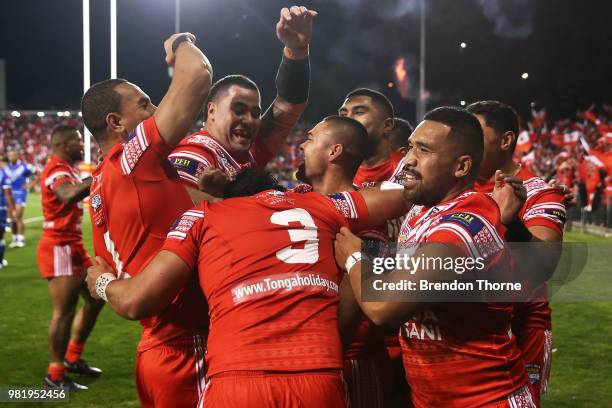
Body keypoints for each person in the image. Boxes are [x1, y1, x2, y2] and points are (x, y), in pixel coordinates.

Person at [86, 165, 407, 408]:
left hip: (237, 379)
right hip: (318, 377)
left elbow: (135, 302)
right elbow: (400, 196)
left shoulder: (204, 215)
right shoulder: (319, 206)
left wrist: (100, 281)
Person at [335, 107, 536, 407]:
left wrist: (354, 258)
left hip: (489, 399)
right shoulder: (421, 211)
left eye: (424, 150)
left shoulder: (465, 225)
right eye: (412, 147)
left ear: (461, 166)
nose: (409, 159)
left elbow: (385, 309)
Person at [81, 32, 213, 407]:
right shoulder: (133, 158)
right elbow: (198, 74)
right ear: (116, 123)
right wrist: (180, 45)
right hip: (189, 346)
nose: (155, 110)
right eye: (145, 104)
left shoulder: (102, 184)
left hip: (158, 349)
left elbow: (102, 270)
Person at [467, 100, 566, 404]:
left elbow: (543, 266)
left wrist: (512, 222)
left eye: (475, 135)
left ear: (506, 140)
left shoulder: (539, 193)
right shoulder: (457, 186)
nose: (466, 143)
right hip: (468, 323)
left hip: (523, 328)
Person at [297, 116, 390, 407]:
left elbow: (348, 319)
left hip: (349, 364)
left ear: (334, 151)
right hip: (307, 359)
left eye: (310, 138)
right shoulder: (298, 199)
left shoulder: (366, 220)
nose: (301, 145)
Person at [169, 6, 317, 189]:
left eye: (255, 113)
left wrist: (297, 50)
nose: (249, 119)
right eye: (238, 110)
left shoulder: (248, 148)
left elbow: (290, 103)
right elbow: (173, 209)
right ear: (212, 111)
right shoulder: (195, 155)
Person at [38, 125, 105, 390]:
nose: (82, 146)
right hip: (60, 246)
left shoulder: (66, 168)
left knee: (96, 298)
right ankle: (54, 376)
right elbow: (66, 194)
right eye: (78, 142)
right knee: (63, 313)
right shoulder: (56, 168)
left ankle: (72, 358)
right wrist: (101, 174)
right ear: (64, 144)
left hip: (72, 244)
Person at [338, 88, 403, 189]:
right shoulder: (335, 172)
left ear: (387, 125)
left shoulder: (407, 169)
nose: (347, 119)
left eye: (359, 112)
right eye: (343, 115)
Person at [3, 149, 37, 247]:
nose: (11, 157)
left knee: (18, 215)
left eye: (13, 155)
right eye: (9, 156)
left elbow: (38, 173)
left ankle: (21, 238)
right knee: (12, 218)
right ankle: (14, 239)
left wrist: (30, 184)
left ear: (17, 156)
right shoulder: (6, 168)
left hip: (20, 193)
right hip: (9, 194)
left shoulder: (25, 166)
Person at [0, 156, 15, 268]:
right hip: (1, 208)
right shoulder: (3, 175)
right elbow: (7, 193)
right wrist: (12, 207)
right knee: (0, 236)